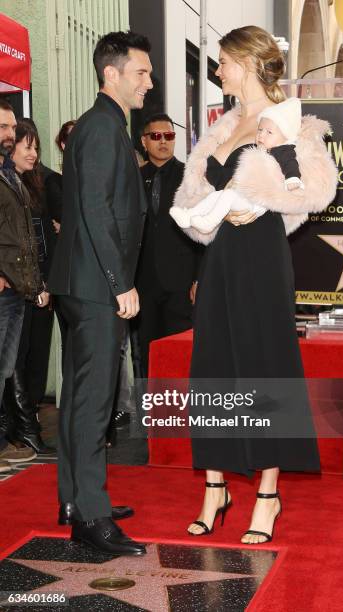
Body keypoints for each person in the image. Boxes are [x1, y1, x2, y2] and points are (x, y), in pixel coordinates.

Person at [173, 26, 337, 544]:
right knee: (214, 369)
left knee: (265, 368)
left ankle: (267, 493)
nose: (217, 70)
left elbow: (319, 190)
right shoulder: (221, 125)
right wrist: (205, 215)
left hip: (263, 258)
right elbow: (196, 192)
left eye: (222, 61)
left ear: (246, 62)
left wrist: (262, 200)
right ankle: (215, 487)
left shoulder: (289, 121)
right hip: (221, 257)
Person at [48, 31, 152, 556]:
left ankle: (74, 497)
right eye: (141, 72)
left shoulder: (101, 125)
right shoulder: (104, 127)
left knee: (76, 398)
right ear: (110, 73)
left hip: (80, 283)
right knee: (93, 403)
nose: (148, 82)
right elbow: (94, 208)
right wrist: (121, 282)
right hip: (95, 287)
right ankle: (91, 516)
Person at [170, 97, 304, 233]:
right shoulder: (261, 150)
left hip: (256, 203)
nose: (261, 135)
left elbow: (291, 165)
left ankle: (208, 223)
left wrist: (292, 179)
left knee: (226, 196)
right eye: (260, 130)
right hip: (244, 195)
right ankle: (190, 215)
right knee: (215, 196)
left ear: (285, 137)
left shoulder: (283, 151)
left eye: (269, 132)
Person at [0, 99, 49, 472]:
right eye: (4, 128)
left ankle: (5, 442)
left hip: (19, 289)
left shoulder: (11, 176)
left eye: (11, 128)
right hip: (7, 290)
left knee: (7, 369)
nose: (9, 135)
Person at [134, 113, 201, 377]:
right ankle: (150, 412)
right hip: (142, 282)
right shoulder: (132, 178)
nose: (163, 141)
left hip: (181, 283)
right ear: (144, 141)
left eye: (169, 136)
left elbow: (202, 230)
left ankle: (180, 413)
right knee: (145, 353)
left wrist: (199, 278)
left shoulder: (190, 177)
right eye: (156, 136)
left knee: (180, 353)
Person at [45, 120, 76, 363]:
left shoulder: (94, 178)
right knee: (70, 339)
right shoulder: (54, 182)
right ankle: (70, 400)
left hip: (93, 273)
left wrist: (67, 226)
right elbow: (61, 214)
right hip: (65, 275)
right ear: (63, 144)